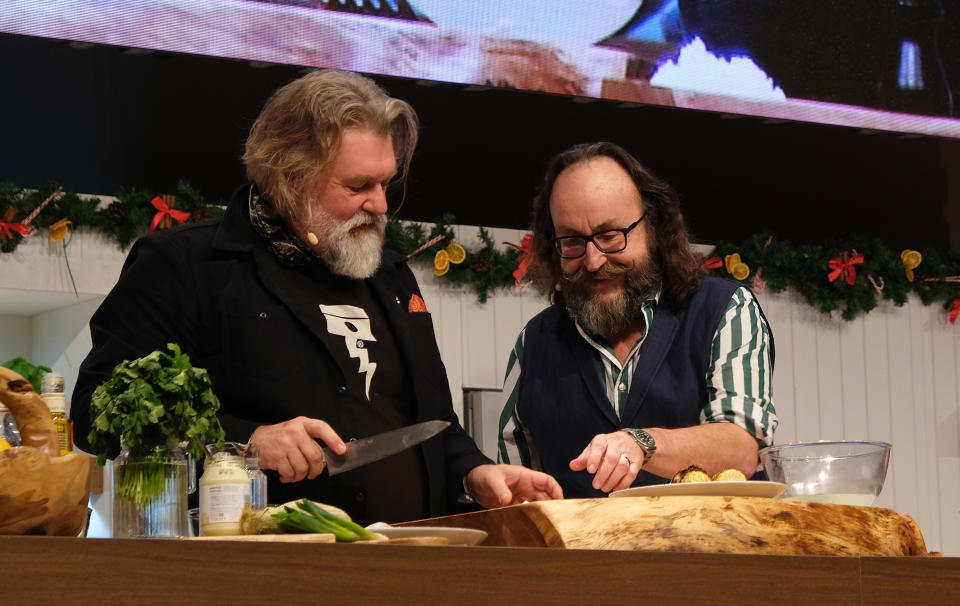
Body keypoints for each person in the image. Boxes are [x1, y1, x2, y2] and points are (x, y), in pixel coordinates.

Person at [72, 69, 561, 525]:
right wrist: (245, 443)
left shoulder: (392, 278)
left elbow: (433, 425)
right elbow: (96, 410)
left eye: (386, 182)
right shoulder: (184, 266)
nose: (381, 204)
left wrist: (475, 473)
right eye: (358, 185)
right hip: (257, 575)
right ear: (290, 177)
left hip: (412, 562)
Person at [497, 142, 777, 497]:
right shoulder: (534, 343)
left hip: (709, 549)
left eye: (610, 236)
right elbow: (518, 496)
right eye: (571, 242)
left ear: (654, 227)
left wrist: (641, 442)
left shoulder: (724, 310)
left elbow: (741, 449)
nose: (594, 260)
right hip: (583, 553)